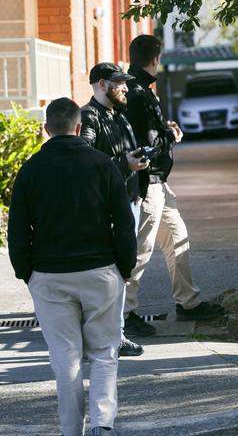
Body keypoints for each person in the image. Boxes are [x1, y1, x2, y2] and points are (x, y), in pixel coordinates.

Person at [8, 97, 136, 436]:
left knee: (65, 360)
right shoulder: (103, 164)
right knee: (105, 353)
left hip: (49, 276)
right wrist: (125, 268)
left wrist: (27, 273)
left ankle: (71, 431)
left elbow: (18, 230)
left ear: (47, 130)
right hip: (100, 272)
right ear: (79, 128)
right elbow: (123, 223)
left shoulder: (31, 169)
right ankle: (103, 425)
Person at [122, 35, 222, 337]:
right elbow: (147, 143)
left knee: (178, 237)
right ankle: (125, 315)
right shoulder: (137, 93)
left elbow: (148, 132)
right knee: (141, 250)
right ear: (155, 59)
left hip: (159, 184)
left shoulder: (138, 90)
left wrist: (164, 129)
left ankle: (188, 302)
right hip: (147, 185)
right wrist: (170, 137)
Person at [80, 62, 149, 357]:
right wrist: (125, 164)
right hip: (106, 209)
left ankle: (114, 333)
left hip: (127, 203)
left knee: (122, 272)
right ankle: (109, 336)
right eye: (118, 82)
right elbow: (86, 163)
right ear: (101, 84)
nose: (124, 87)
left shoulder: (119, 115)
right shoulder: (89, 116)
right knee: (108, 275)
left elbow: (124, 153)